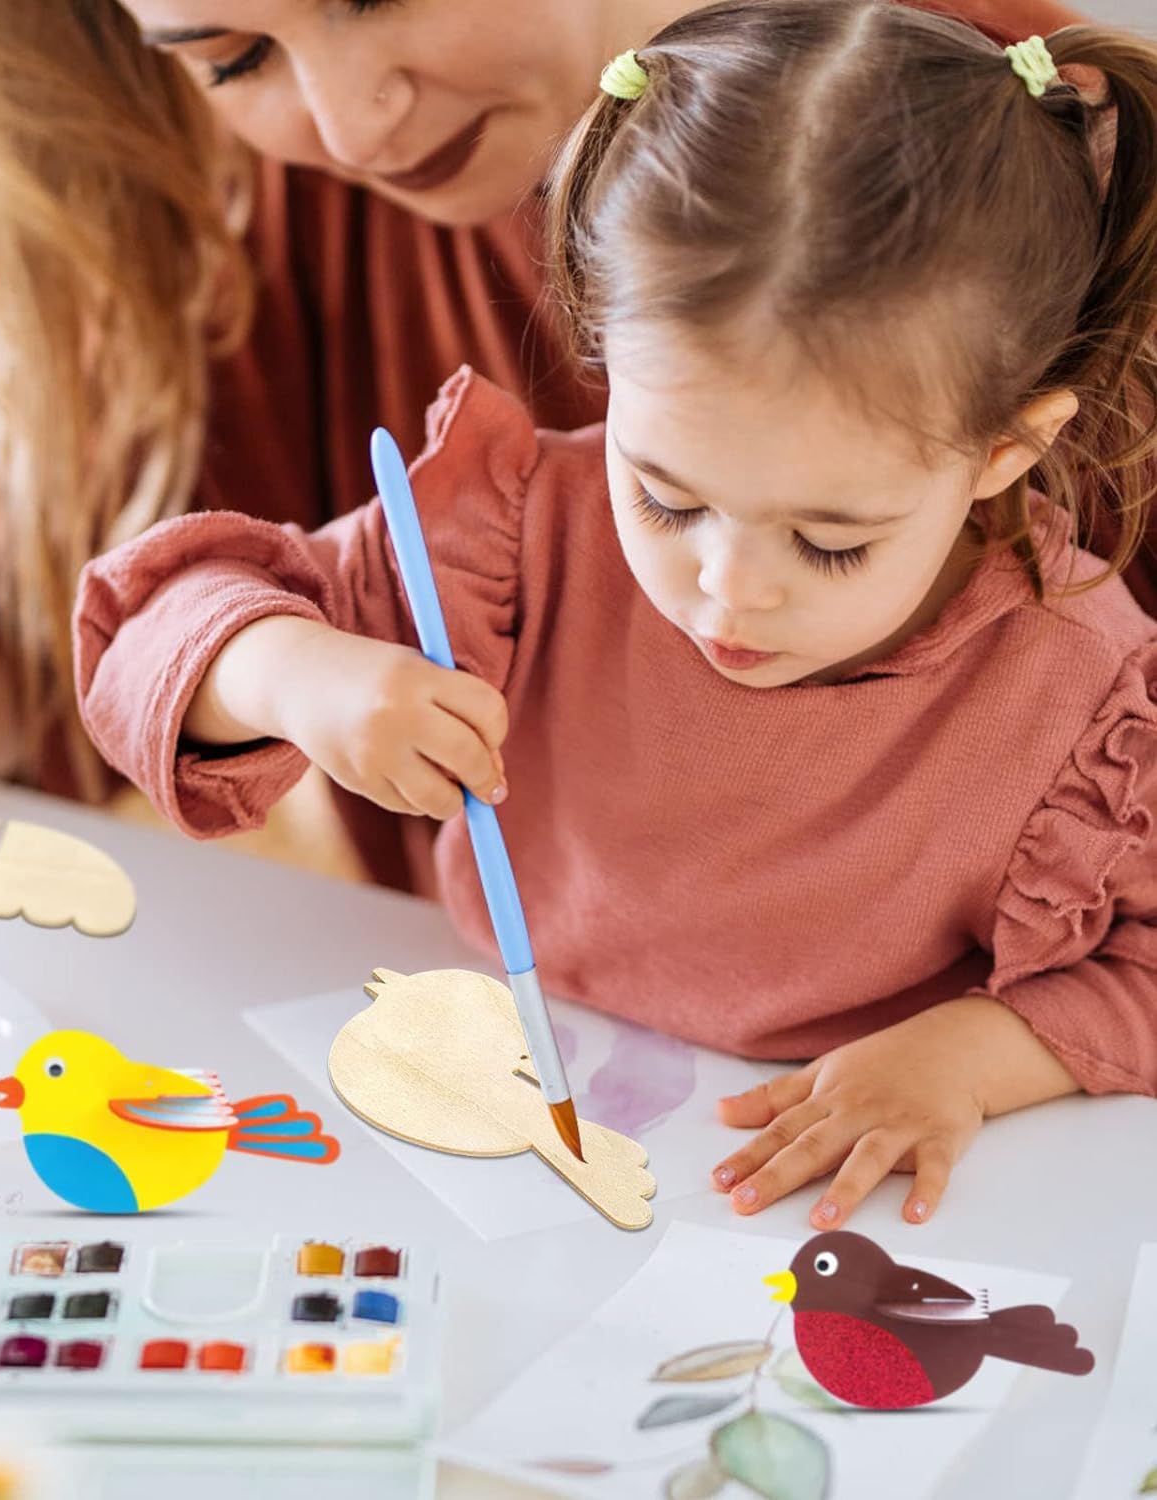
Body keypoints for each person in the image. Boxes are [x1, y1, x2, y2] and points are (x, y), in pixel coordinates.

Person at [71, 3, 1157, 1229]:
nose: (728, 589)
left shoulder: (1084, 696)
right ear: (606, 360)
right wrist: (297, 677)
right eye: (665, 495)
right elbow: (140, 631)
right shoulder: (521, 535)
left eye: (830, 540)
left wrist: (974, 1053)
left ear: (1010, 448)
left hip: (845, 1196)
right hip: (492, 1125)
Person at [0, 0, 1091, 896]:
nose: (349, 124)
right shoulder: (263, 214)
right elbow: (47, 625)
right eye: (232, 56)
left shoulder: (992, 166)